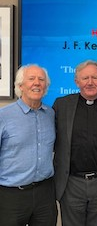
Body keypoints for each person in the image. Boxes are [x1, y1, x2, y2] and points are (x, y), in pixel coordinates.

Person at [53, 60, 97, 226]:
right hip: (71, 183)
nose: (90, 82)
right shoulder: (61, 105)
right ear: (77, 82)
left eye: (95, 78)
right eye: (85, 78)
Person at [0, 64, 57, 226]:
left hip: (45, 193)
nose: (37, 83)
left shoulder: (50, 114)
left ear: (46, 86)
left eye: (41, 79)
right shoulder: (4, 116)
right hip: (11, 196)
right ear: (20, 86)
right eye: (31, 79)